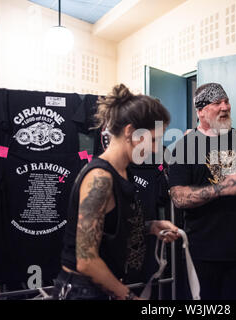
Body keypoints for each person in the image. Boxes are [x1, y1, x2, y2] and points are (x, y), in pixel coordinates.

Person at [54, 84, 180, 300]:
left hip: (104, 288)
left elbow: (111, 227)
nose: (155, 149)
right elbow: (86, 260)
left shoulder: (124, 172)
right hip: (81, 292)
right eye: (153, 140)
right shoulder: (99, 178)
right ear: (130, 132)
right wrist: (128, 296)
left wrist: (151, 227)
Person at [168, 83, 236, 300]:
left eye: (226, 101)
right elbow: (178, 197)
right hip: (204, 254)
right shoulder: (184, 147)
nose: (225, 107)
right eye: (217, 103)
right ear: (200, 111)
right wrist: (220, 189)